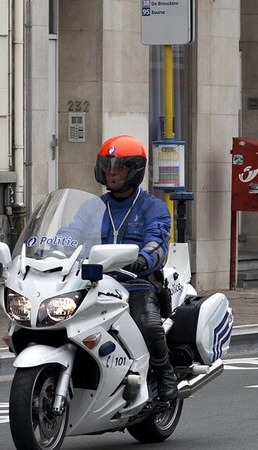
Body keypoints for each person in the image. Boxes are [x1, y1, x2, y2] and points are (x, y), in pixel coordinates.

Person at [94, 134, 177, 401]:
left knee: (148, 325)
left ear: (135, 170)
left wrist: (142, 259)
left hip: (135, 281)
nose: (112, 172)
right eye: (108, 166)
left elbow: (158, 240)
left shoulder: (153, 207)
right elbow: (70, 233)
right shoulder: (94, 207)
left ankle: (165, 373)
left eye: (119, 167)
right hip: (95, 281)